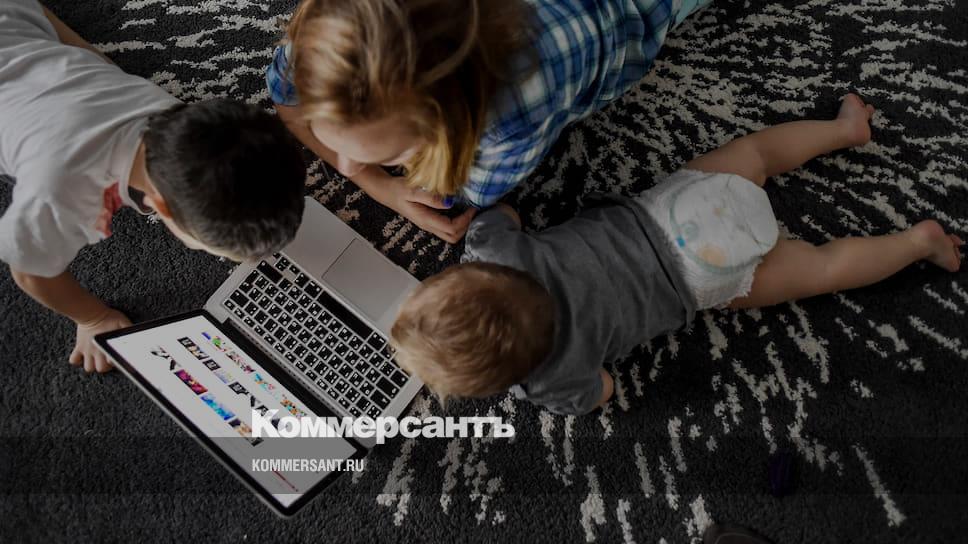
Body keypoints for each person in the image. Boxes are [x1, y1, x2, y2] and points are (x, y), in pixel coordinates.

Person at [389, 95, 964, 415]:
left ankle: (919, 243)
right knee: (758, 154)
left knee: (823, 268)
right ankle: (845, 130)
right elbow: (501, 217)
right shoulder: (494, 254)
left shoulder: (549, 383)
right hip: (668, 212)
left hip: (701, 280)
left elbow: (603, 390)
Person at [0, 1, 307, 374]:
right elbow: (29, 271)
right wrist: (94, 318)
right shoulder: (58, 194)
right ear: (159, 207)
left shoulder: (179, 118)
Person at [266, 0, 711, 242]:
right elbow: (286, 100)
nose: (346, 167)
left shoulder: (512, 117)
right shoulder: (332, 35)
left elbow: (466, 193)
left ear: (452, 118)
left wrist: (383, 185)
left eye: (393, 153)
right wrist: (379, 183)